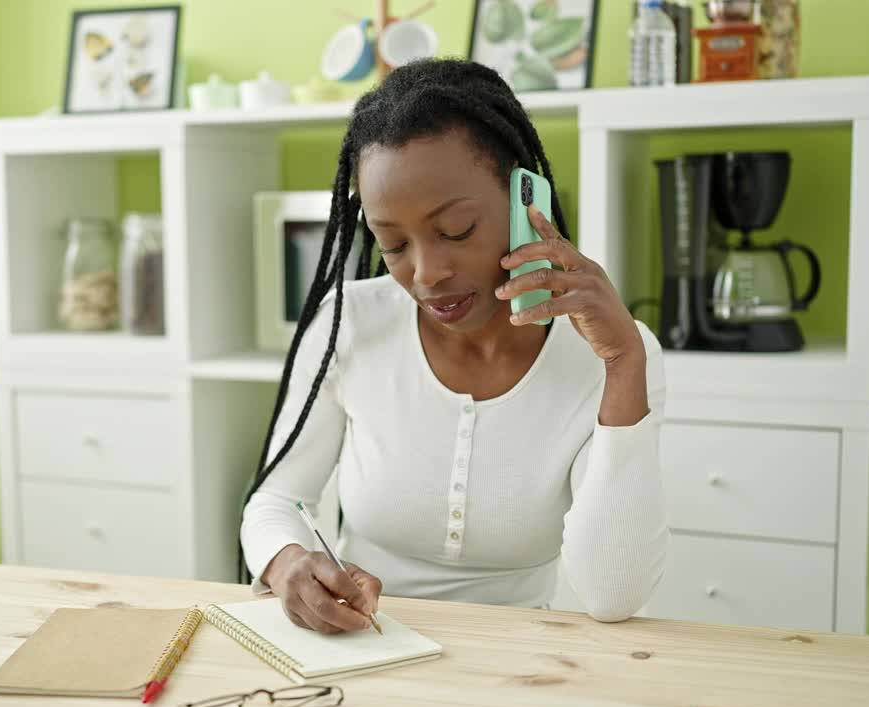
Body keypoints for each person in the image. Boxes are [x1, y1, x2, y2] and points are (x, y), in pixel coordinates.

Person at [238, 58, 667, 635]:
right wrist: (287, 562)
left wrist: (623, 365)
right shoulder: (351, 325)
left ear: (524, 200)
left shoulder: (609, 355)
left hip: (525, 665)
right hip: (363, 646)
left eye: (457, 230)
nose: (427, 274)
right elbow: (275, 501)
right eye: (393, 245)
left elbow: (613, 595)